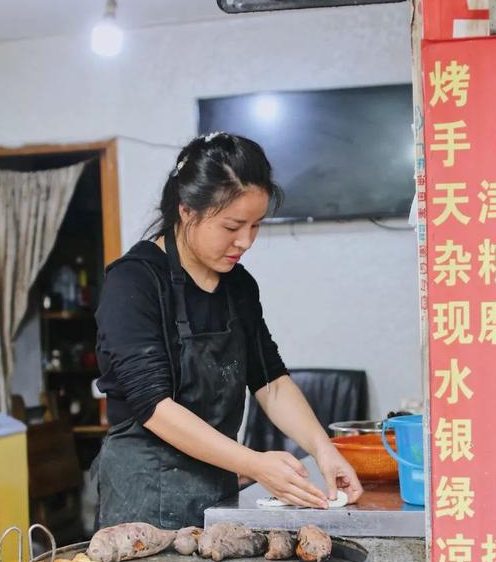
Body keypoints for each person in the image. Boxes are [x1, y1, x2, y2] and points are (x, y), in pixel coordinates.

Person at [95, 131, 363, 530]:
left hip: (216, 490)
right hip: (143, 501)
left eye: (256, 225)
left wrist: (324, 449)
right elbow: (154, 408)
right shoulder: (134, 282)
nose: (246, 241)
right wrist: (254, 463)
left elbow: (269, 381)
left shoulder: (238, 285)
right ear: (187, 211)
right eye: (232, 226)